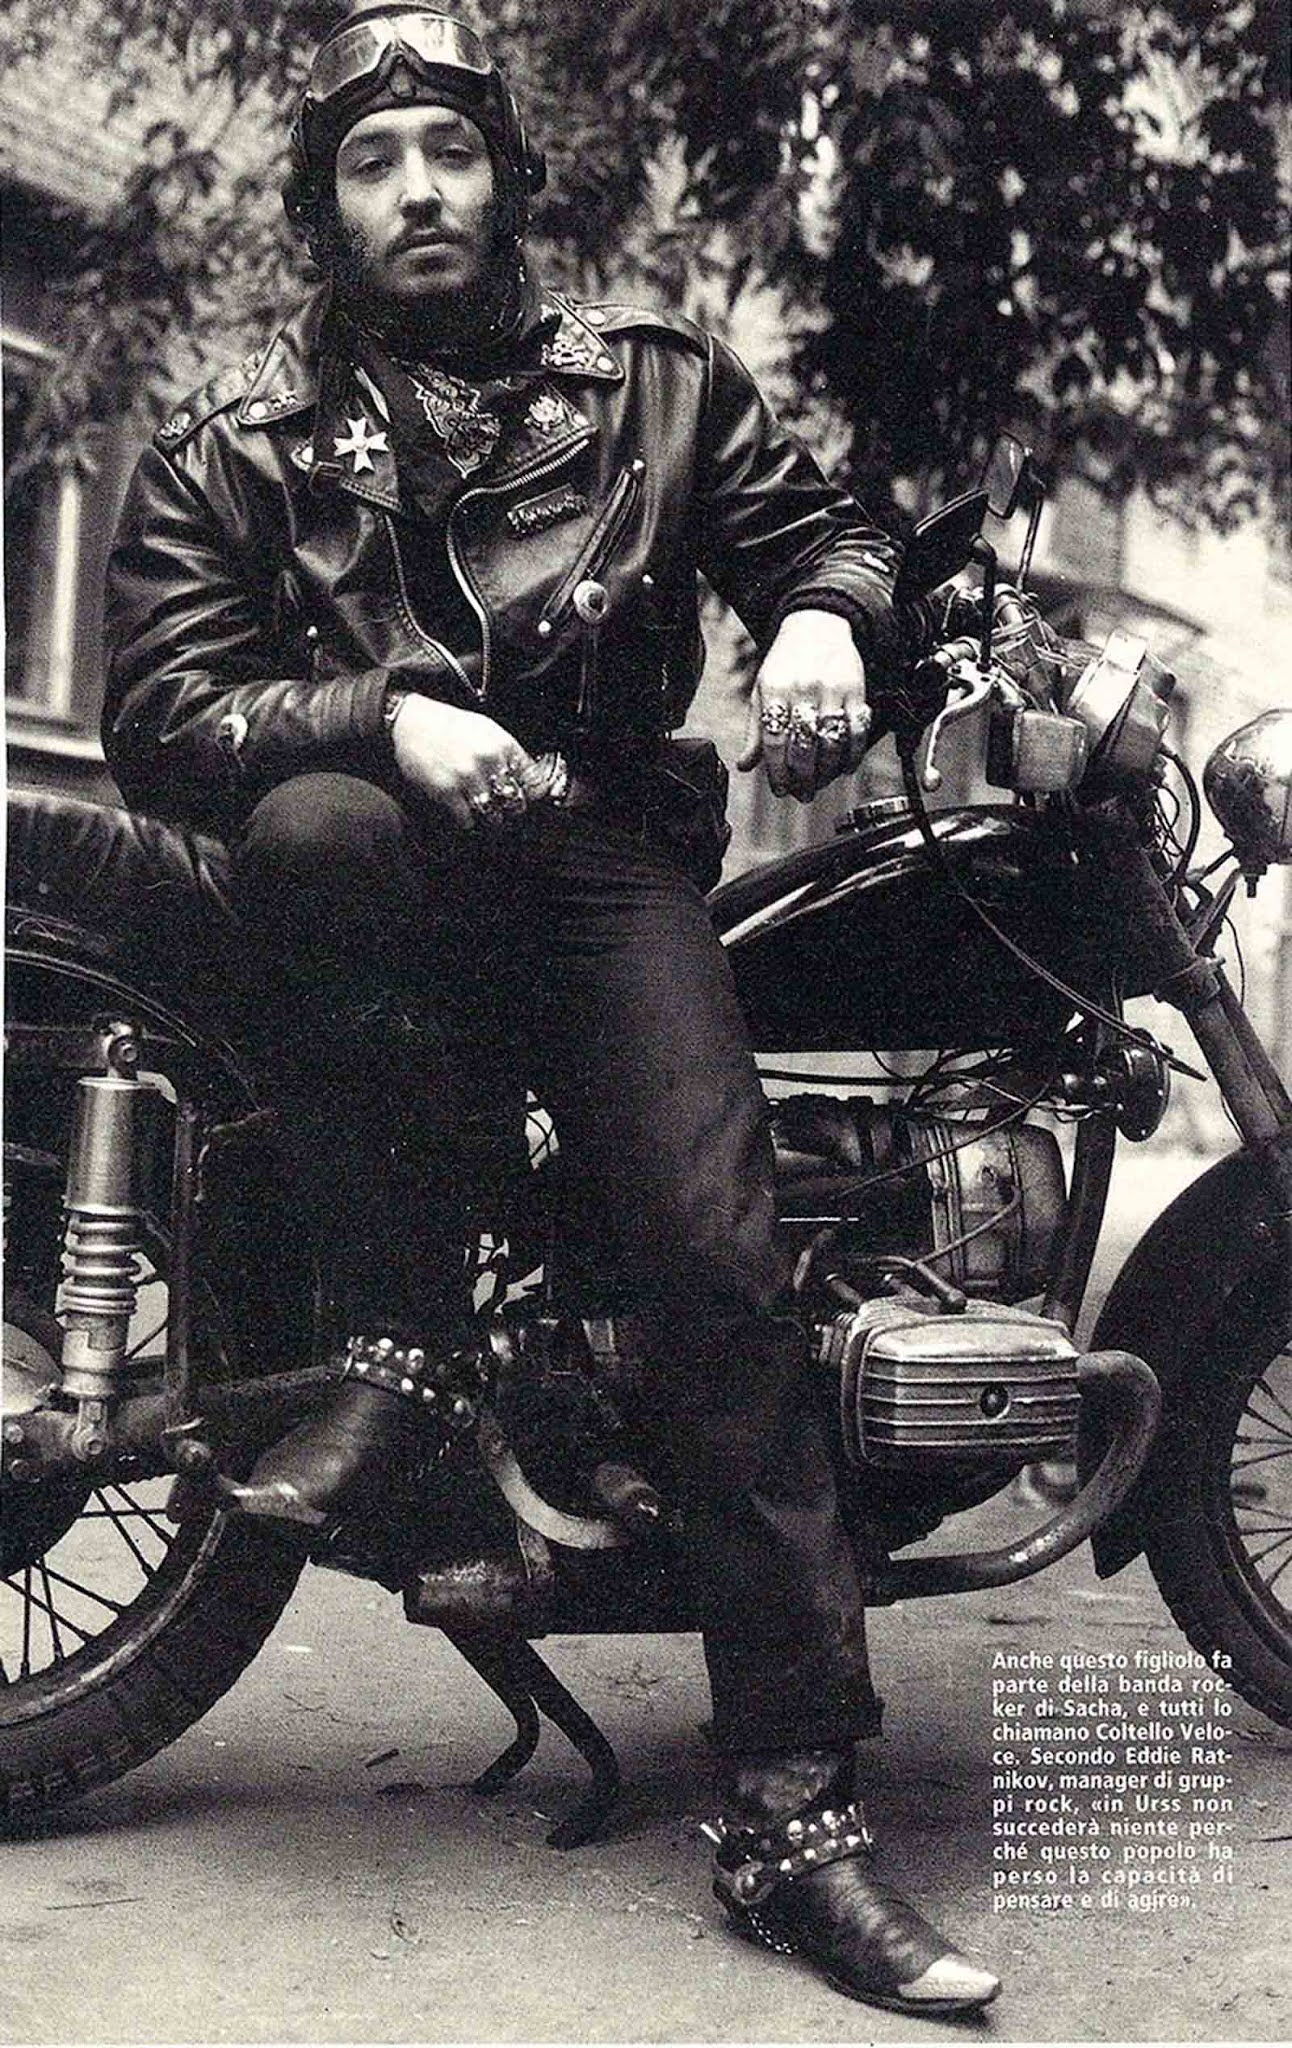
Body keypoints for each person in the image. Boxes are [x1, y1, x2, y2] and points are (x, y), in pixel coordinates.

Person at [102, 6, 999, 2017]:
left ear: (506, 181)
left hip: (599, 865)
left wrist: (829, 614)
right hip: (369, 880)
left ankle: (793, 1809)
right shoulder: (235, 436)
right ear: (323, 205)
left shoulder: (659, 386)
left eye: (451, 153)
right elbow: (157, 708)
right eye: (373, 162)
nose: (419, 190)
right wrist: (386, 715)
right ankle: (399, 1335)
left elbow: (827, 529)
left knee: (720, 1253)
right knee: (320, 821)